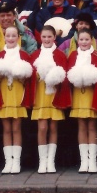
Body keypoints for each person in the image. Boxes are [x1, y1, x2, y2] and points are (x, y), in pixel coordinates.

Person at [0, 25, 35, 174]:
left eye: (13, 36)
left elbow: (30, 79)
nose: (10, 38)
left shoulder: (24, 56)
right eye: (8, 36)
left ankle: (16, 162)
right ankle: (8, 162)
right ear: (4, 37)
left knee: (16, 128)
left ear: (18, 37)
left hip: (17, 93)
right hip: (4, 94)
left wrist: (22, 76)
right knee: (6, 129)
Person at [66, 29, 97, 173]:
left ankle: (93, 160)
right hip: (78, 94)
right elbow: (67, 74)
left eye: (86, 39)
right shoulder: (73, 55)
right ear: (77, 41)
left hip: (92, 95)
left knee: (92, 126)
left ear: (92, 40)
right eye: (81, 39)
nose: (84, 42)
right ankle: (83, 161)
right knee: (81, 126)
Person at [30, 25, 70, 173]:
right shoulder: (35, 55)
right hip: (40, 95)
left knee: (53, 127)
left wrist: (55, 76)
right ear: (40, 38)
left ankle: (51, 161)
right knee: (42, 128)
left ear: (54, 37)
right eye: (44, 37)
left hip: (54, 94)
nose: (46, 39)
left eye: (49, 37)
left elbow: (64, 75)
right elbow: (30, 76)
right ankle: (43, 161)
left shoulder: (60, 55)